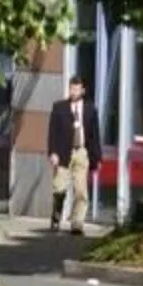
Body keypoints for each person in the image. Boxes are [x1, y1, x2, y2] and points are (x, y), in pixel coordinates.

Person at [45, 76, 100, 234]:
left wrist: (96, 157)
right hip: (63, 151)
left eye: (77, 89)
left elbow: (95, 135)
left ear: (82, 90)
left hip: (81, 152)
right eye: (71, 88)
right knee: (59, 187)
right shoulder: (59, 107)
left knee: (80, 190)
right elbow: (52, 132)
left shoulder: (90, 109)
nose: (74, 92)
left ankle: (77, 223)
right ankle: (56, 218)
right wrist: (53, 152)